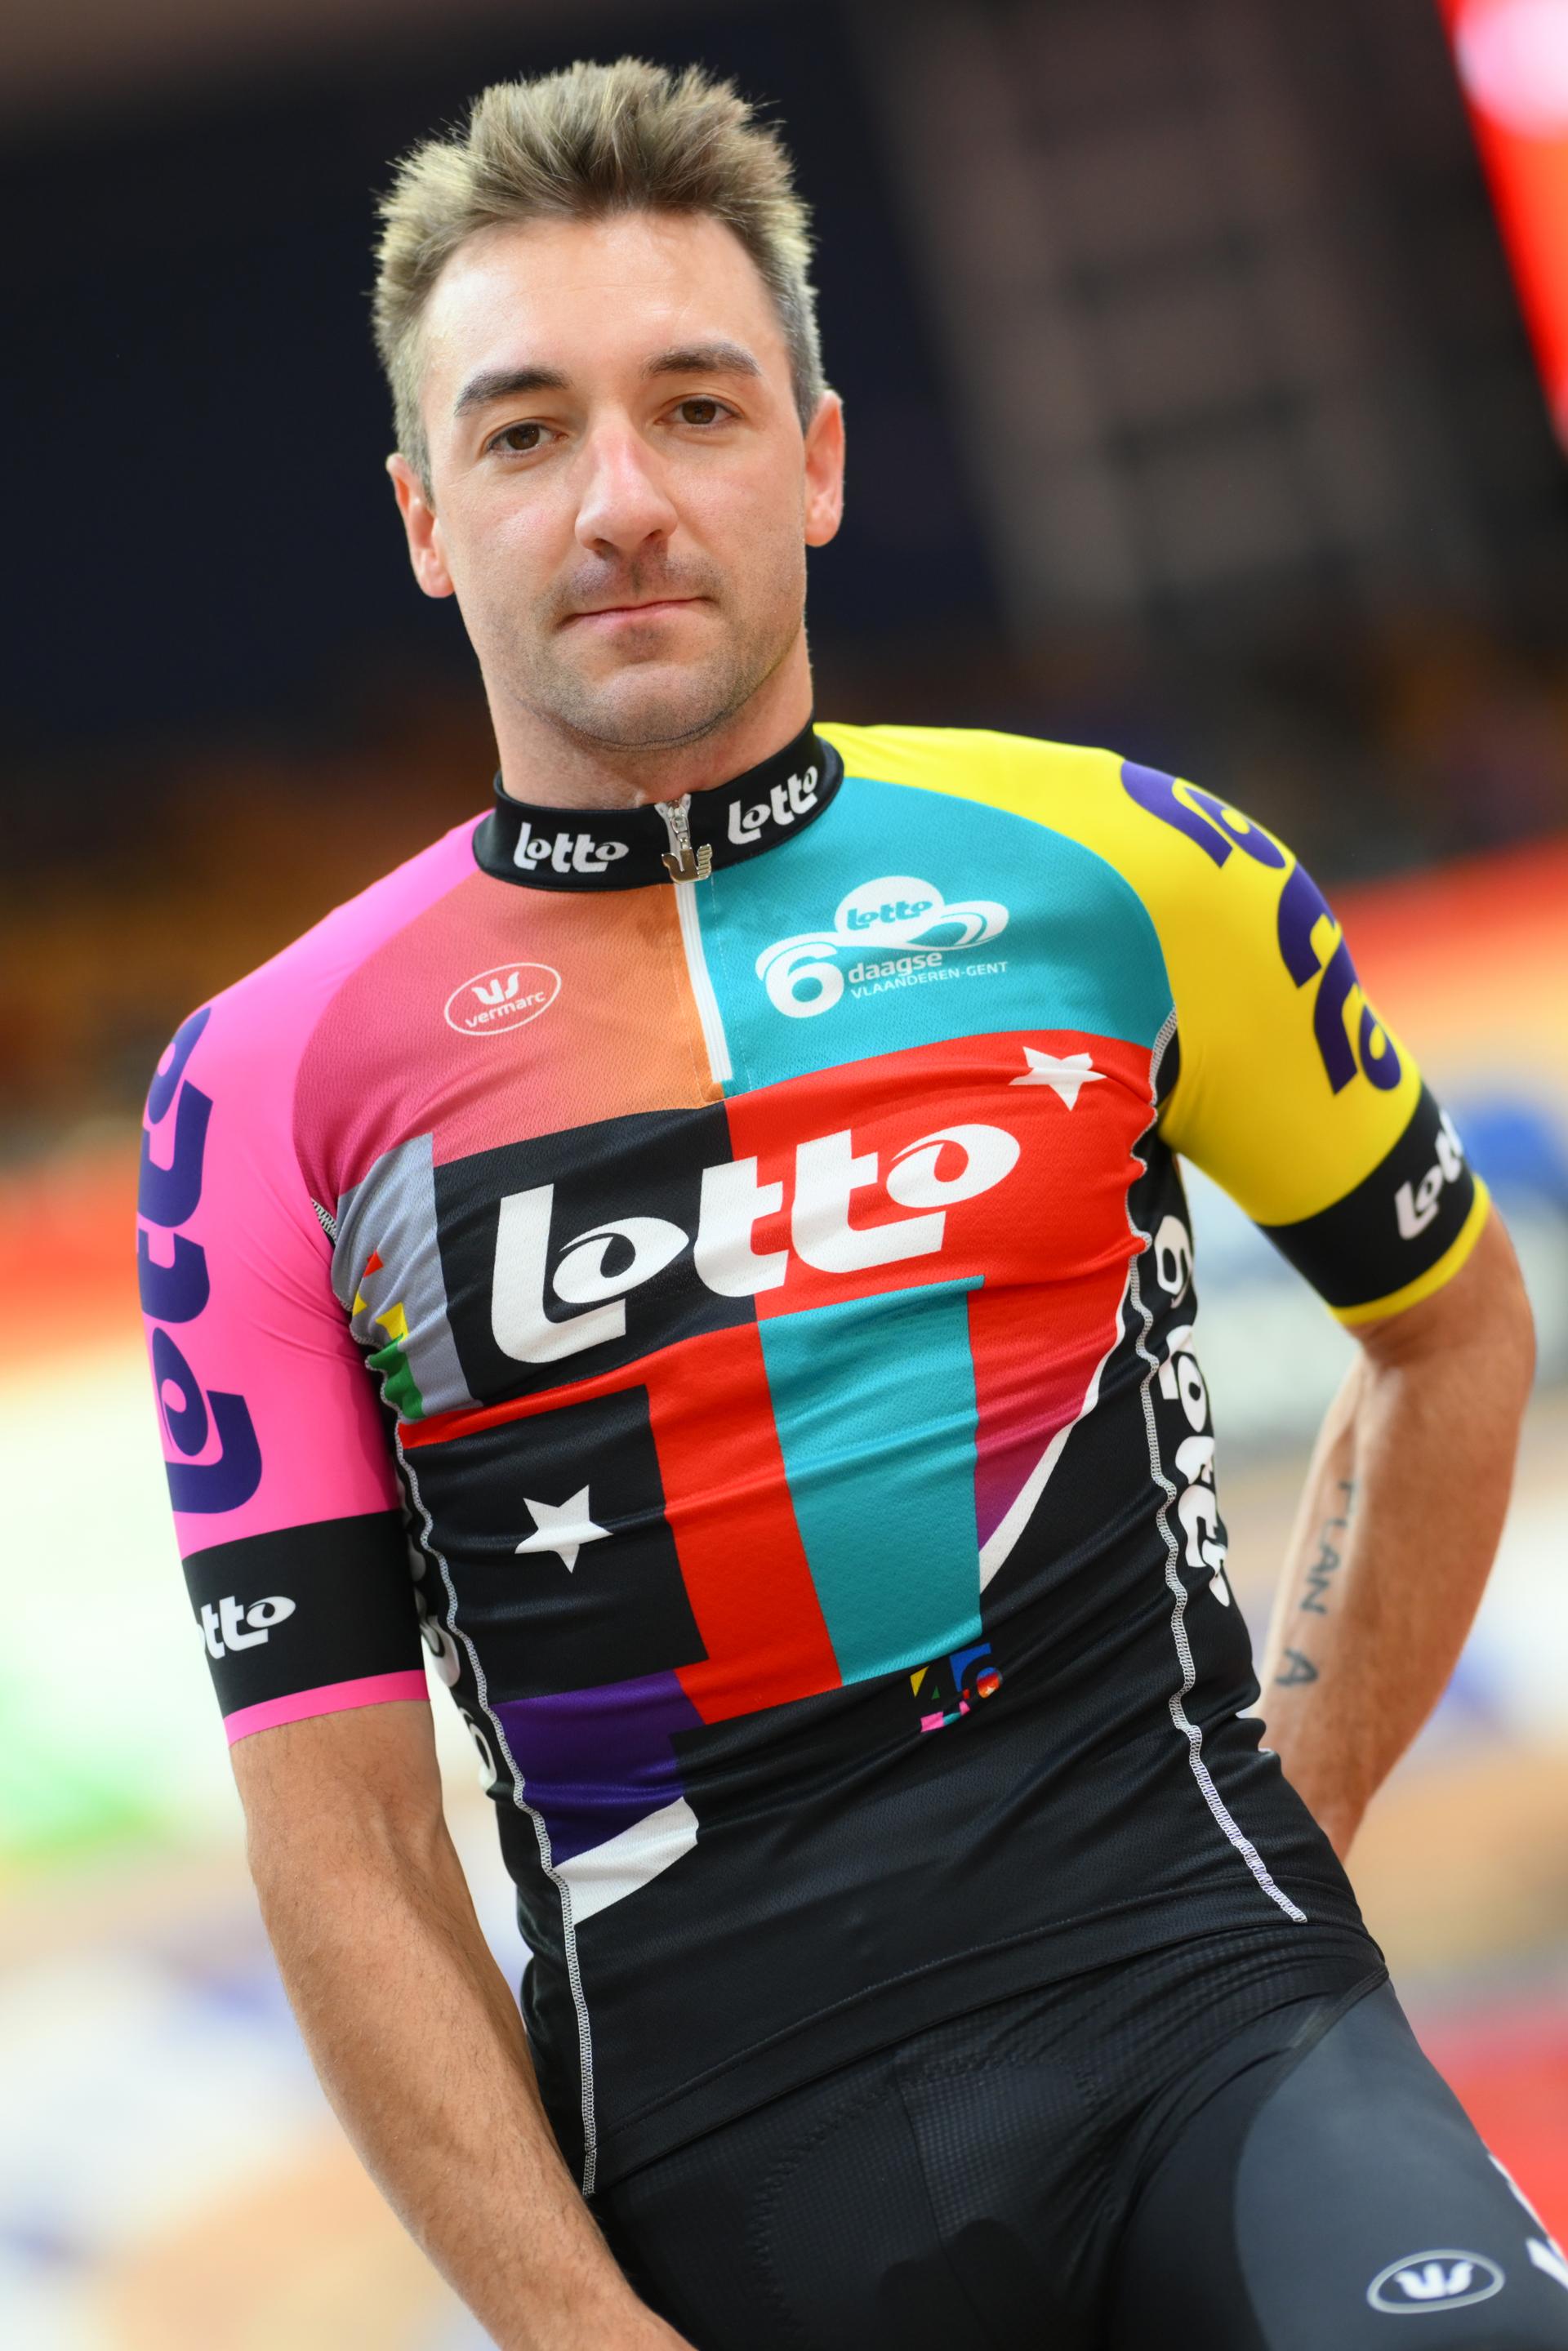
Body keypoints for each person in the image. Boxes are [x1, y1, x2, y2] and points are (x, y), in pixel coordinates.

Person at [136, 56, 1564, 2351]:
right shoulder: (269, 1089)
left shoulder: (1134, 869)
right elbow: (349, 1841)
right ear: (424, 514)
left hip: (1220, 2031)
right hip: (726, 2175)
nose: (620, 501)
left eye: (696, 408)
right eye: (525, 432)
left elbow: (1453, 1329)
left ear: (813, 457)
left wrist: (1282, 1826)